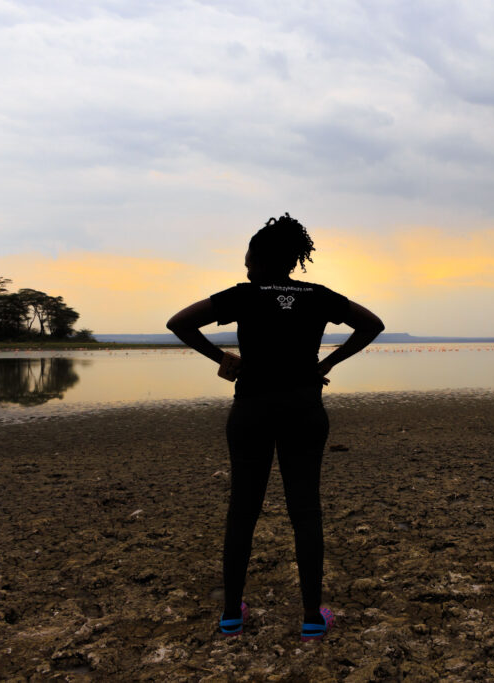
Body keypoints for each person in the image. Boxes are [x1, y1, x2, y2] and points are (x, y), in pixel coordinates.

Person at [166, 214, 384, 641]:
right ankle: (310, 619)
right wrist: (326, 363)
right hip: (304, 409)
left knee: (242, 511)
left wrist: (225, 361)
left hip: (252, 410)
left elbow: (179, 322)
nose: (245, 267)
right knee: (306, 512)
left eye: (248, 258)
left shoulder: (245, 295)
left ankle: (231, 615)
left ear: (261, 258)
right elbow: (372, 324)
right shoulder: (317, 295)